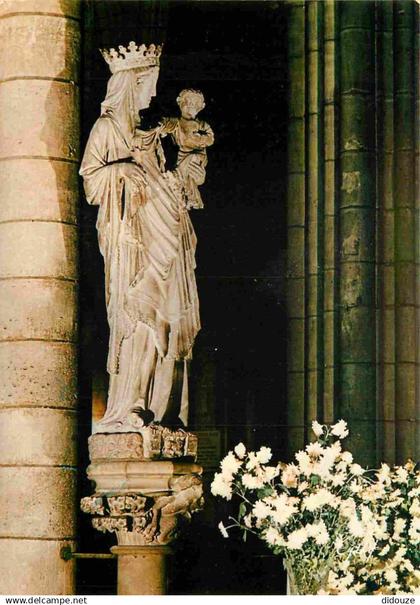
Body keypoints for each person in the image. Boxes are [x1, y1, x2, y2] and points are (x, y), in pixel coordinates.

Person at [79, 42, 201, 432]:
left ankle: (164, 410)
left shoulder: (151, 137)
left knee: (169, 319)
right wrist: (120, 171)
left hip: (166, 238)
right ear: (128, 84)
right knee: (140, 320)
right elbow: (91, 182)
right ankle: (131, 404)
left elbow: (168, 182)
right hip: (133, 245)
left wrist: (180, 175)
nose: (151, 92)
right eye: (146, 83)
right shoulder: (108, 128)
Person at [159, 89, 214, 210]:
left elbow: (210, 138)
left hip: (199, 155)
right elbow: (162, 125)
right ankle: (187, 193)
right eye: (187, 101)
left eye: (195, 103)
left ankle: (189, 194)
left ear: (202, 106)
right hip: (181, 157)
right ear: (179, 101)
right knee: (185, 170)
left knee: (192, 164)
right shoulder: (175, 123)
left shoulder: (203, 125)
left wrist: (199, 138)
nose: (191, 105)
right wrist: (161, 128)